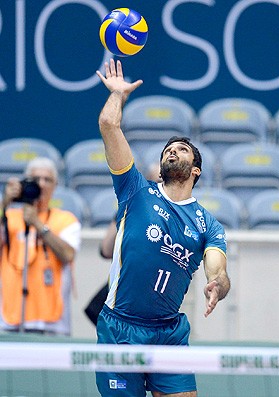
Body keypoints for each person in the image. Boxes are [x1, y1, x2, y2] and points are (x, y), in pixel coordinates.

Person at [95, 59, 230, 397]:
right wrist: (117, 96)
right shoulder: (135, 191)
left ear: (195, 170)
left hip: (168, 332)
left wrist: (218, 283)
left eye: (181, 150)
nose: (172, 152)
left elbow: (217, 266)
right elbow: (109, 126)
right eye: (168, 150)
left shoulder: (207, 224)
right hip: (120, 328)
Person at [0, 157, 81, 335]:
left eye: (47, 180)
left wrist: (37, 224)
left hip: (53, 324)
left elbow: (68, 255)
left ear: (55, 186)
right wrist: (4, 204)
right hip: (10, 319)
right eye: (36, 180)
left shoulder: (66, 220)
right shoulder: (9, 217)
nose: (41, 185)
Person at [84, 161, 162, 326]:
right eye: (154, 183)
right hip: (124, 293)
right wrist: (124, 213)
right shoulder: (130, 208)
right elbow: (106, 250)